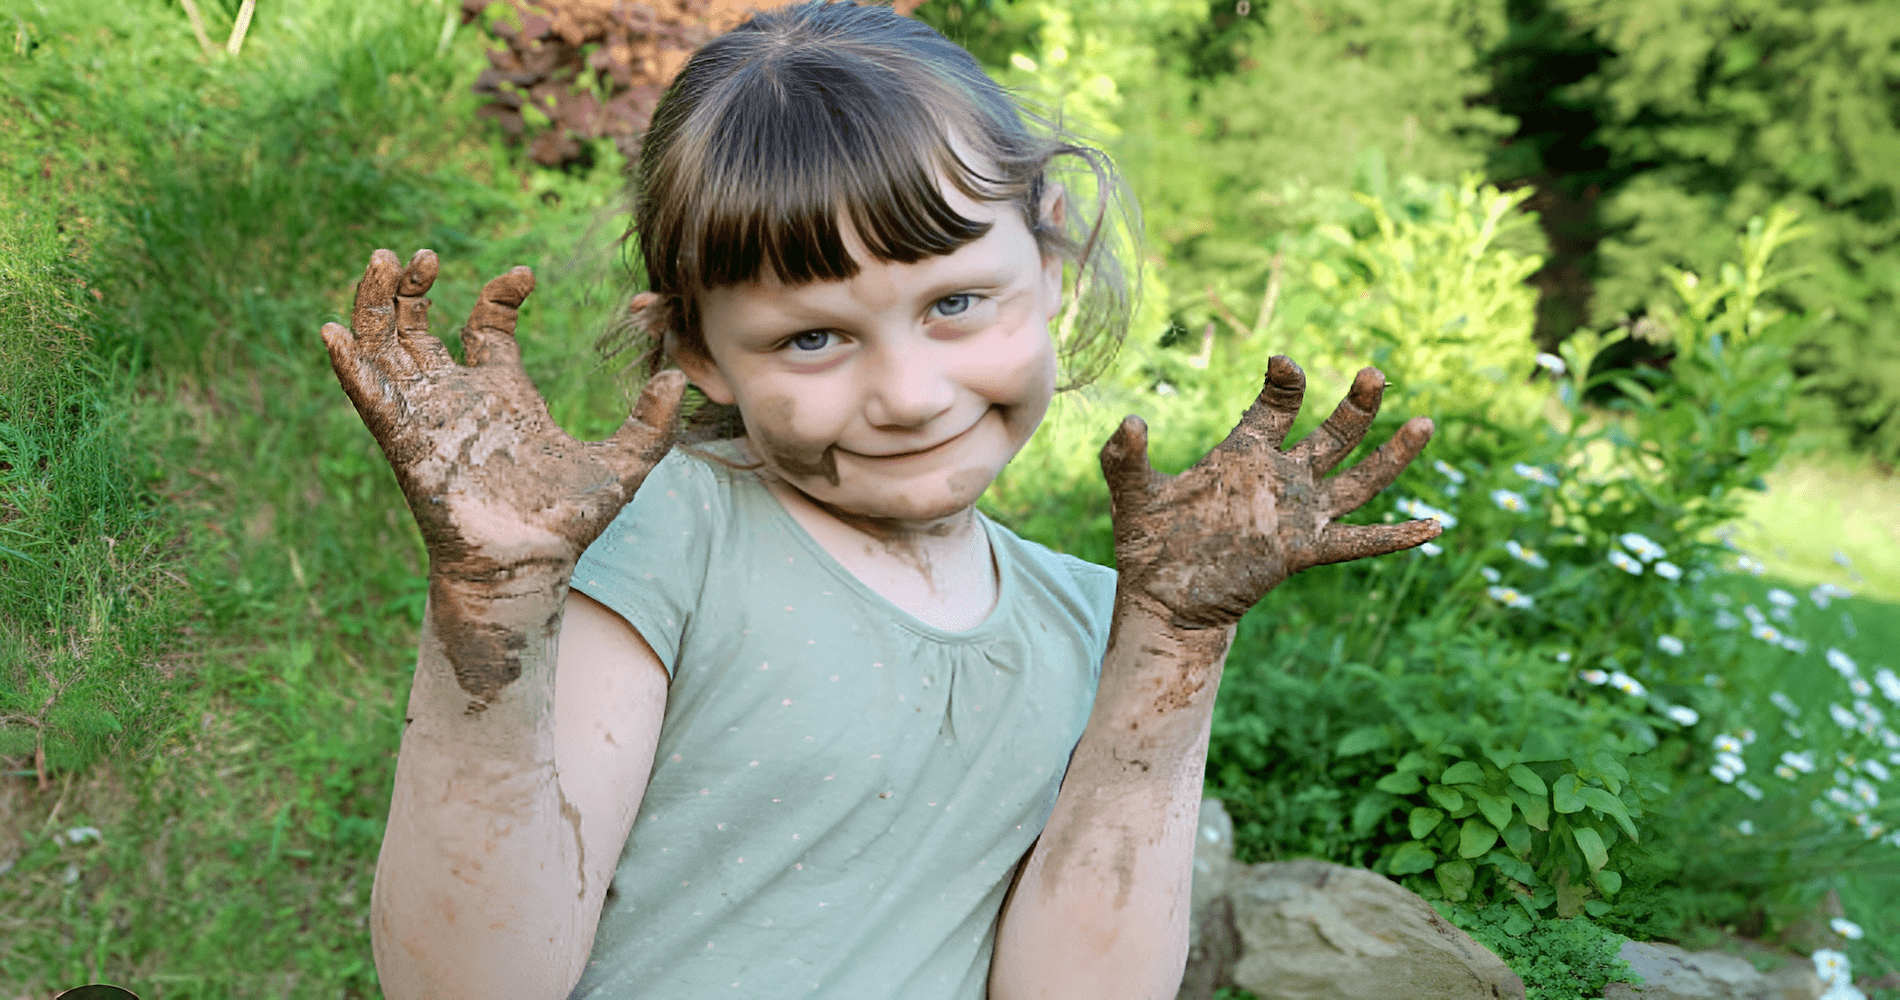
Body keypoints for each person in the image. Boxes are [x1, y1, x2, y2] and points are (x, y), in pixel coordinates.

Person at [318, 3, 1441, 998]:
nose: (906, 394)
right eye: (812, 336)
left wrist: (1173, 652)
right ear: (697, 348)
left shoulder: (1096, 618)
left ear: (1048, 254)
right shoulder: (673, 538)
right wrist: (490, 604)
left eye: (955, 302)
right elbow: (473, 983)